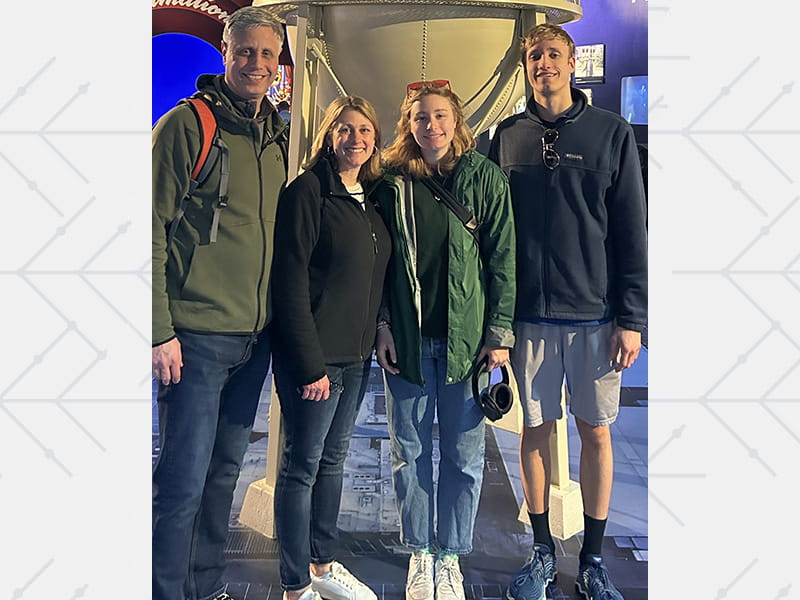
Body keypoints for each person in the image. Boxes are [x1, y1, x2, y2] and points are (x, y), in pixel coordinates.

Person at [488, 23, 647, 600]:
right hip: (528, 316)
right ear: (525, 65)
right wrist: (495, 321)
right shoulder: (506, 138)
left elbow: (632, 230)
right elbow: (490, 236)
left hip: (595, 317)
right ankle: (540, 551)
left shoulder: (612, 134)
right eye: (535, 56)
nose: (544, 64)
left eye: (554, 54)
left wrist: (631, 318)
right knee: (533, 429)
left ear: (572, 61)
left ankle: (595, 558)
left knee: (596, 432)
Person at [151, 7, 288, 600]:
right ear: (225, 52)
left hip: (252, 341)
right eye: (244, 51)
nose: (255, 63)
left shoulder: (277, 134)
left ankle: (205, 587)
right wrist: (159, 331)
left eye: (266, 53)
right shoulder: (187, 126)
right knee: (181, 481)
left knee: (221, 476)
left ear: (279, 60)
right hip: (196, 338)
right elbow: (148, 227)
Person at [373, 81, 516, 600]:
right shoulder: (391, 184)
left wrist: (499, 334)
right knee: (408, 452)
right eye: (420, 117)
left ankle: (450, 554)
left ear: (456, 120)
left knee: (463, 454)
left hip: (468, 346)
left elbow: (503, 261)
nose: (430, 125)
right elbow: (379, 263)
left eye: (439, 116)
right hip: (407, 345)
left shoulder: (485, 179)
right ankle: (420, 552)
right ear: (407, 125)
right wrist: (383, 325)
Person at [270, 96, 391, 600]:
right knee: (301, 467)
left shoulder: (371, 196)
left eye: (365, 130)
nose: (356, 139)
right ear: (329, 134)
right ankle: (295, 586)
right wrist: (309, 364)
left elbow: (374, 278)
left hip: (356, 357)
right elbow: (289, 283)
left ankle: (322, 564)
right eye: (345, 129)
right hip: (315, 361)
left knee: (334, 461)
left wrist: (381, 328)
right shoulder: (307, 193)